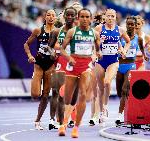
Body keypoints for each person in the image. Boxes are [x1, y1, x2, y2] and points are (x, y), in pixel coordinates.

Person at [58, 8, 101, 138]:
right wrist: (69, 58)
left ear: (91, 18)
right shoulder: (72, 31)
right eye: (82, 16)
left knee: (83, 94)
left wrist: (95, 55)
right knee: (68, 97)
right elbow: (62, 49)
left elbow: (97, 50)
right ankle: (63, 123)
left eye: (87, 17)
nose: (84, 19)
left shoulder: (95, 34)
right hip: (73, 64)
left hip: (86, 66)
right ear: (78, 18)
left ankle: (76, 127)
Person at [94, 9, 131, 125]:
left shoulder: (120, 30)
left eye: (112, 16)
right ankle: (100, 112)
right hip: (100, 60)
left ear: (115, 17)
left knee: (107, 82)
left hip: (113, 61)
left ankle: (105, 106)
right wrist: (99, 42)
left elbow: (128, 41)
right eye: (108, 16)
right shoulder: (98, 29)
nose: (110, 18)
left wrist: (123, 50)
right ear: (104, 17)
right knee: (100, 88)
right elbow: (92, 43)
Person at [24, 9, 57, 130]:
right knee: (35, 94)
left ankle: (37, 120)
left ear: (56, 18)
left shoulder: (57, 32)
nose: (51, 17)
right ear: (45, 17)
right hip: (38, 65)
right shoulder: (38, 30)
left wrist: (55, 54)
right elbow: (26, 44)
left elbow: (59, 49)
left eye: (53, 15)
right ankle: (39, 119)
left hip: (50, 65)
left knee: (45, 95)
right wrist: (30, 56)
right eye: (48, 15)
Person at [115, 16, 150, 125]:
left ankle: (119, 115)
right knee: (119, 92)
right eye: (128, 24)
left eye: (132, 24)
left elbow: (141, 48)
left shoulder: (138, 39)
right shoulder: (121, 36)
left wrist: (144, 56)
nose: (130, 26)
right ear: (126, 25)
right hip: (120, 66)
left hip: (131, 66)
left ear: (135, 26)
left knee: (125, 89)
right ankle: (130, 107)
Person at [48, 7, 78, 130]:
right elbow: (49, 46)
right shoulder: (57, 31)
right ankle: (52, 120)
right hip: (60, 62)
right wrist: (52, 53)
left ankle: (67, 119)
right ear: (64, 16)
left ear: (75, 17)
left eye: (72, 15)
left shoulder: (79, 31)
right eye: (68, 15)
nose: (70, 17)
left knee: (70, 93)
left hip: (74, 63)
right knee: (55, 92)